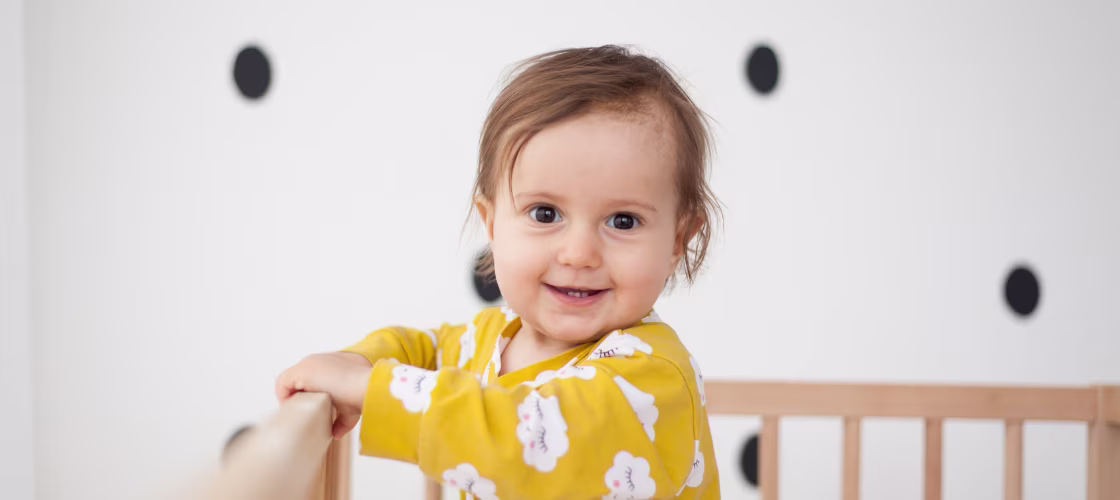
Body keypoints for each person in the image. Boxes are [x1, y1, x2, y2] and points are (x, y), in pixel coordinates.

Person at [275, 44, 723, 499]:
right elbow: (424, 349)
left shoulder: (654, 377)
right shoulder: (492, 339)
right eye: (545, 214)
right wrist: (360, 361)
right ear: (491, 225)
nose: (579, 253)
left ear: (676, 242)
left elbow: (527, 436)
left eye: (622, 221)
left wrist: (368, 389)